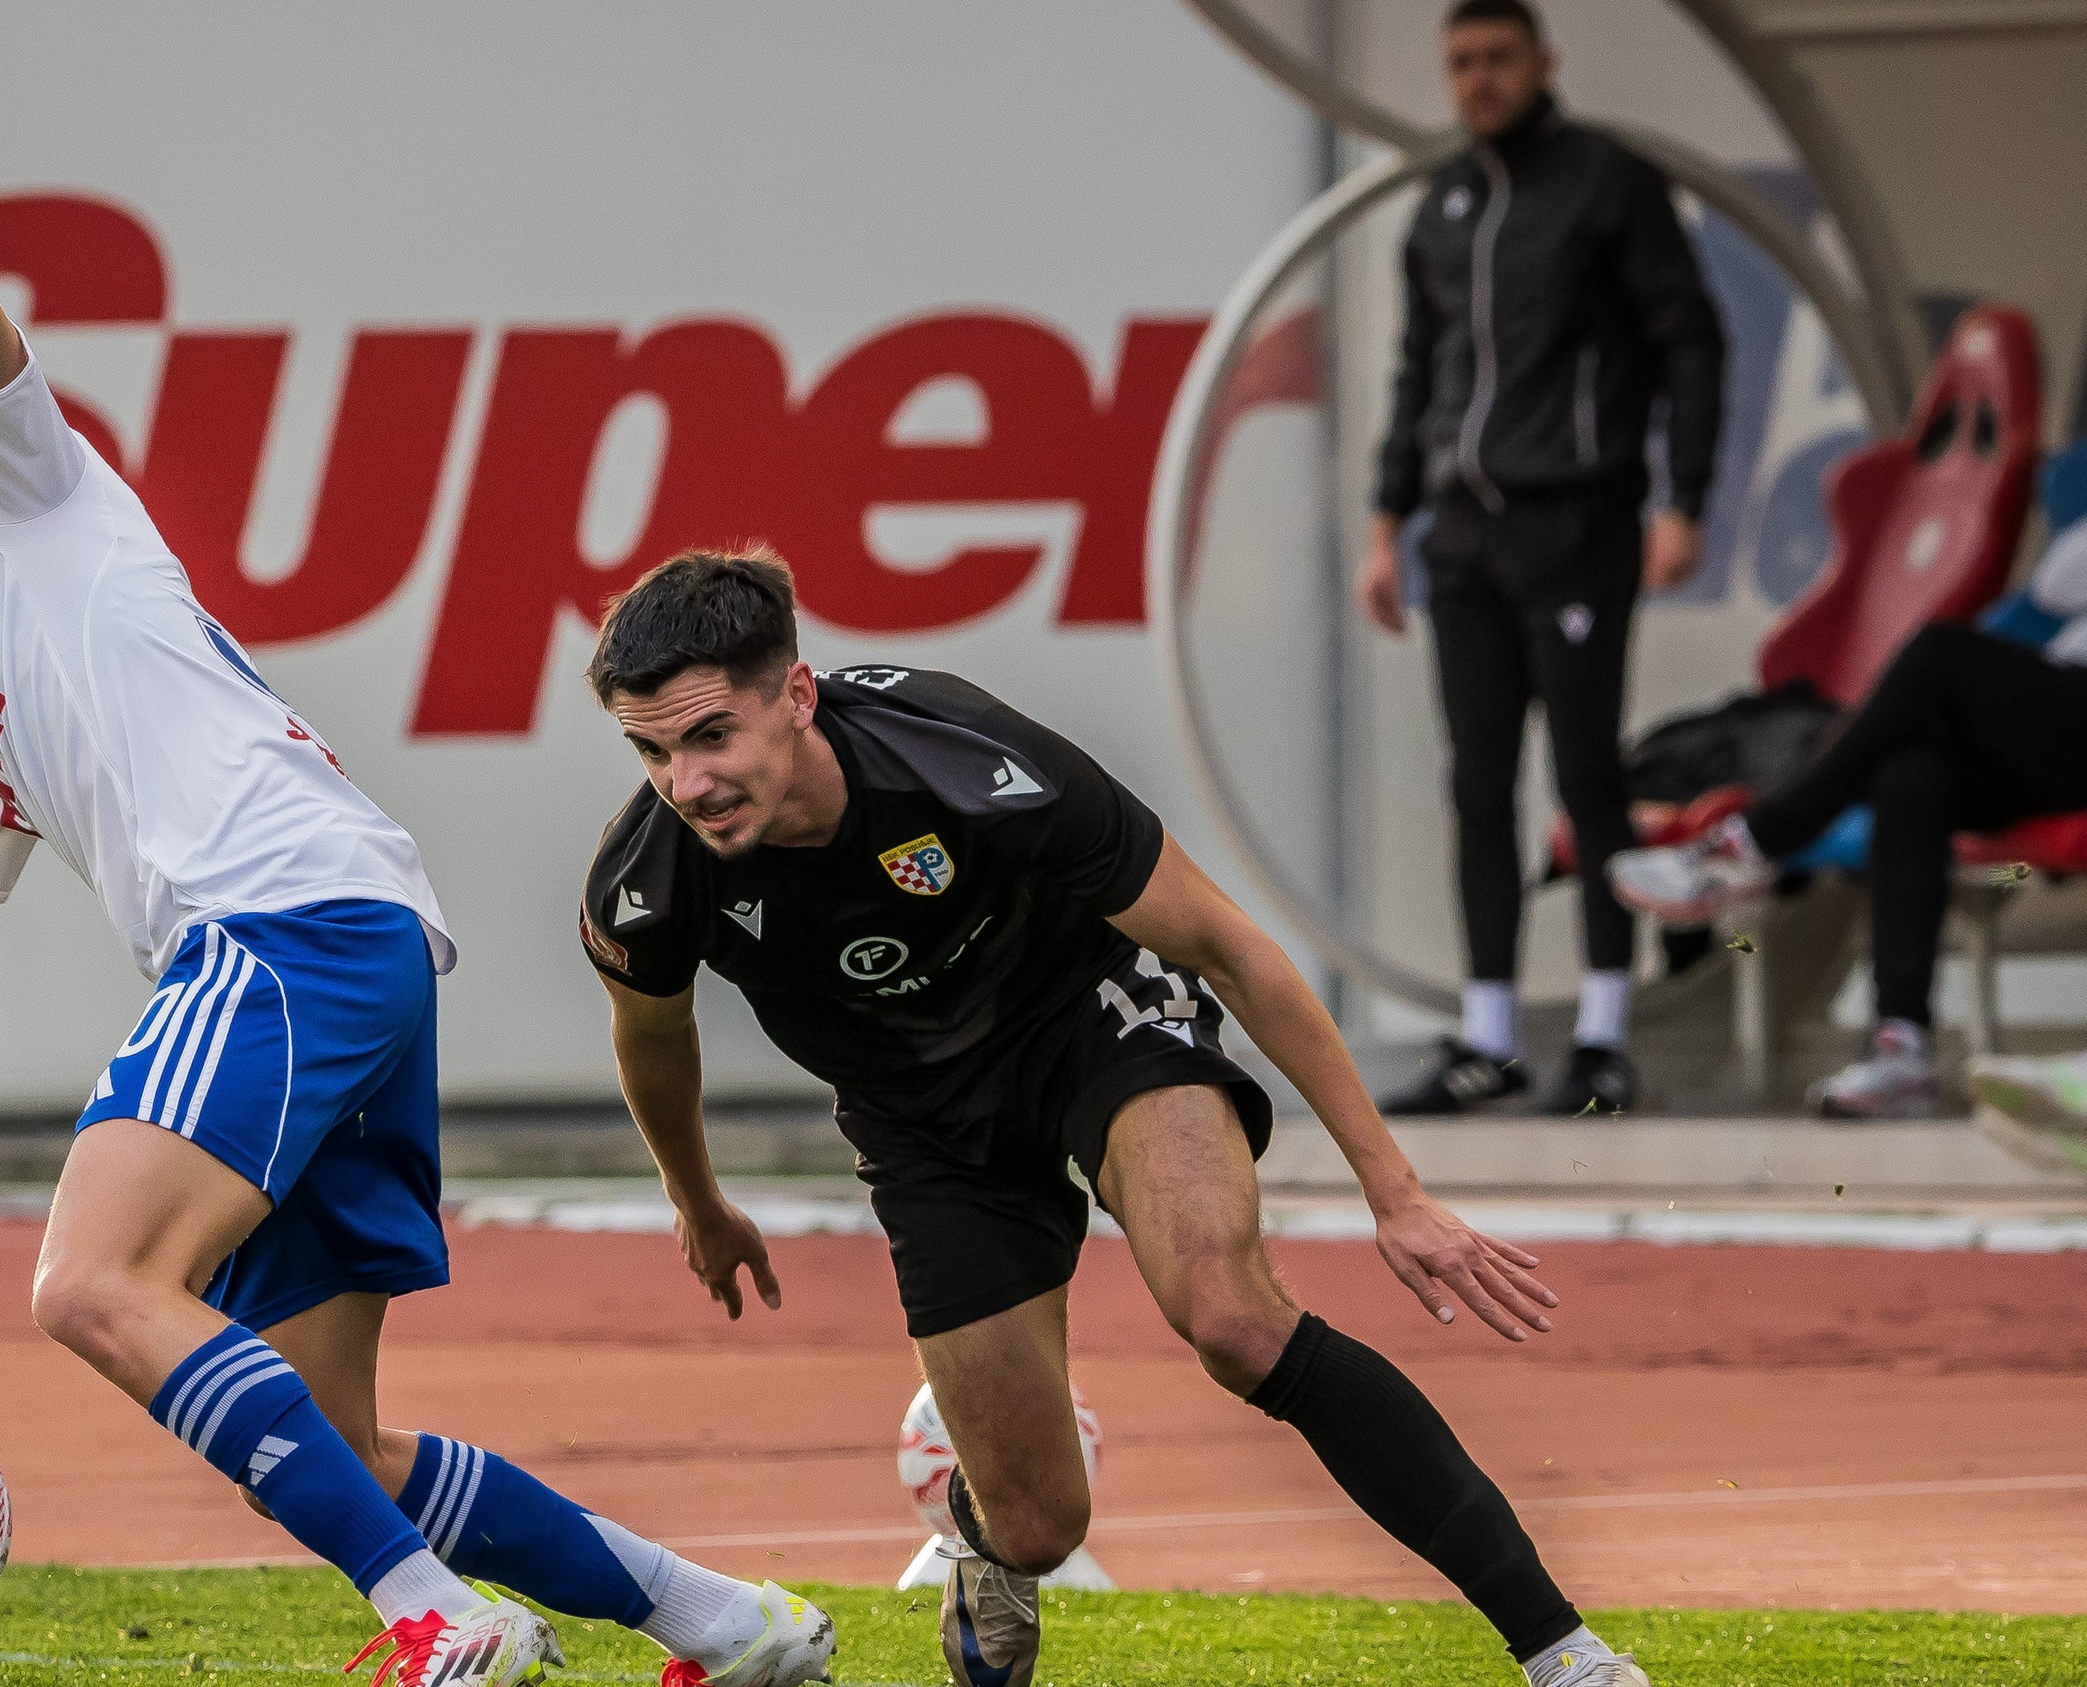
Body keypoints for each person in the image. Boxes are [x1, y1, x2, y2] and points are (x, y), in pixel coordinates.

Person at [0, 61, 835, 1687]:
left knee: (97, 1283)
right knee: (339, 1447)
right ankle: (730, 1624)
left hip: (281, 925)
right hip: (345, 939)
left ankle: (440, 1617)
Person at [579, 550, 1647, 1687]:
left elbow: (1229, 948)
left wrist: (1396, 1191)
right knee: (1040, 1524)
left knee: (1233, 1320)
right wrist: (699, 1203)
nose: (687, 782)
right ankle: (979, 1531)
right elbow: (654, 1041)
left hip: (1096, 1021)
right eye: (652, 751)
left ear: (796, 695)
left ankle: (1565, 1653)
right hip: (922, 1124)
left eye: (711, 736)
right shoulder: (647, 881)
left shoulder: (964, 758)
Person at [1357, 0, 1726, 1117]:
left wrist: (1684, 498)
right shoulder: (1443, 203)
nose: (1479, 78)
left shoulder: (1608, 182)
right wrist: (1386, 523)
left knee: (1586, 774)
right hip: (1462, 535)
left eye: (1497, 58)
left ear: (1541, 62)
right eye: (1461, 62)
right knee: (1476, 782)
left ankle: (1604, 1034)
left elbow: (1691, 341)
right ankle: (1490, 1036)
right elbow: (1420, 370)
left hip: (1577, 523)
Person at [1610, 519, 2087, 1116]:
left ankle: (1754, 840)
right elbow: (2056, 584)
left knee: (1941, 653)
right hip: (2060, 727)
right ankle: (1901, 1045)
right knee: (1910, 773)